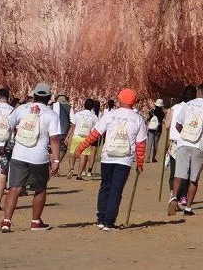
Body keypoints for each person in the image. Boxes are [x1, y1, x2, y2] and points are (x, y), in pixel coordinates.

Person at [75, 88, 147, 231]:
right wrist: (140, 162)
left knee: (105, 187)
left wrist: (81, 147)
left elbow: (95, 134)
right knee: (116, 190)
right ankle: (109, 222)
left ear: (121, 100)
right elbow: (141, 144)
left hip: (107, 157)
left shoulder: (111, 115)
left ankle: (101, 219)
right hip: (124, 159)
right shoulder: (138, 119)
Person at [0, 82, 61, 233]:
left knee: (14, 188)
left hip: (19, 154)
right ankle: (35, 222)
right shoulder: (51, 114)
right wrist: (56, 160)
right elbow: (54, 139)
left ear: (34, 95)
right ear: (48, 98)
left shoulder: (22, 109)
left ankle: (7, 221)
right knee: (40, 188)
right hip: (39, 157)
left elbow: (8, 122)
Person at [168, 82, 203, 216]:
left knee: (179, 174)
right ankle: (188, 207)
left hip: (183, 143)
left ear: (197, 91)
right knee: (193, 178)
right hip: (199, 145)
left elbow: (178, 125)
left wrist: (183, 137)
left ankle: (174, 197)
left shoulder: (188, 105)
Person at [162, 85, 195, 200]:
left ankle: (173, 193)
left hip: (174, 143)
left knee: (174, 170)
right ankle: (183, 196)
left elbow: (167, 125)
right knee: (186, 170)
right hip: (187, 141)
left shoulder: (174, 107)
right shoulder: (193, 108)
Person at [65, 98, 98, 180]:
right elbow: (95, 129)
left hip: (76, 136)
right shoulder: (94, 116)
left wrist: (68, 136)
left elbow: (73, 125)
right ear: (92, 107)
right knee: (83, 156)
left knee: (72, 154)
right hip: (86, 138)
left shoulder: (78, 114)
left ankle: (72, 168)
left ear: (84, 105)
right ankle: (79, 175)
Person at [53, 94, 73, 166]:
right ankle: (55, 164)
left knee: (51, 150)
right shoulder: (69, 108)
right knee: (62, 149)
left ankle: (53, 165)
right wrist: (68, 136)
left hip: (52, 131)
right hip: (63, 132)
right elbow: (73, 123)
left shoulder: (51, 106)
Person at [146, 99, 165, 163]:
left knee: (149, 143)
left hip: (151, 128)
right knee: (155, 144)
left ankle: (148, 158)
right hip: (158, 129)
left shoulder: (151, 111)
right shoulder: (162, 113)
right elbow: (162, 120)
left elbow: (148, 118)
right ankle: (153, 158)